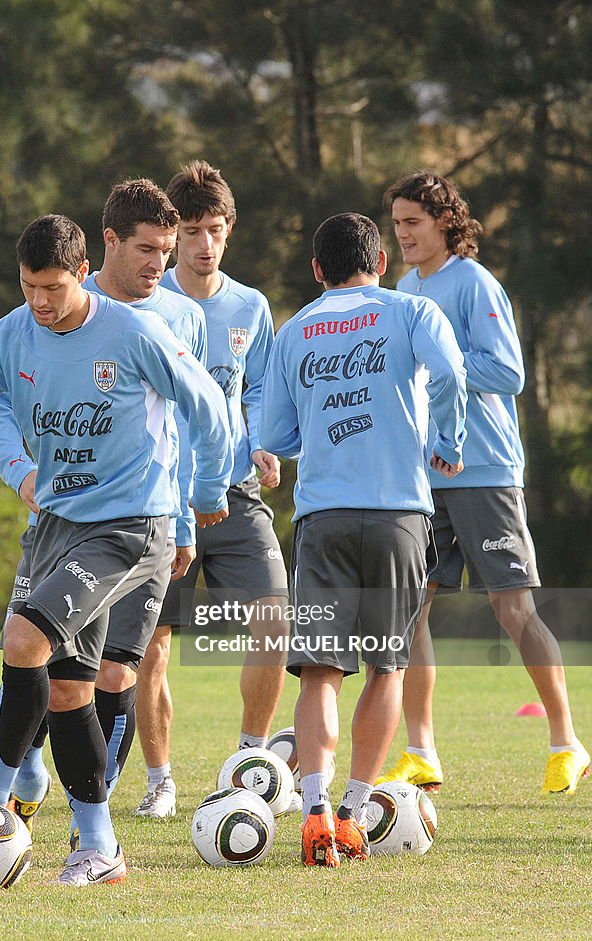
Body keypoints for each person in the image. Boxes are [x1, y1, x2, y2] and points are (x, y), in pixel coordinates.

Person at [0, 214, 232, 886]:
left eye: (54, 287)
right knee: (67, 688)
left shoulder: (134, 332)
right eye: (30, 285)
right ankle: (99, 846)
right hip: (60, 523)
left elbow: (208, 405)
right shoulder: (10, 335)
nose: (40, 301)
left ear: (84, 272)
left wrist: (203, 494)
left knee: (23, 637)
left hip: (131, 525)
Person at [261, 212, 467, 867]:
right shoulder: (412, 312)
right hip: (400, 515)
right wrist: (448, 442)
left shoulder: (293, 331)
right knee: (386, 665)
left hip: (322, 517)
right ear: (379, 261)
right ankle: (352, 811)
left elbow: (276, 436)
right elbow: (454, 377)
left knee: (321, 672)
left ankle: (314, 809)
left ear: (318, 270)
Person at [377, 171, 589, 795]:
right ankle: (420, 751)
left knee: (512, 608)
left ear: (445, 221)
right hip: (426, 473)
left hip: (486, 470)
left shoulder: (474, 283)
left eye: (413, 222)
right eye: (396, 224)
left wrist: (441, 360)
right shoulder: (405, 286)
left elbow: (508, 372)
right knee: (411, 607)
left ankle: (567, 741)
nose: (404, 235)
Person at [130, 159, 290, 818]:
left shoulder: (250, 306)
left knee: (276, 619)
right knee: (153, 643)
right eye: (192, 230)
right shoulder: (148, 303)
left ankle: (249, 761)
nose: (205, 244)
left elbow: (262, 391)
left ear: (229, 231)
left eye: (215, 229)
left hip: (235, 494)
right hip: (162, 499)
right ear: (173, 234)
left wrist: (265, 443)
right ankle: (160, 779)